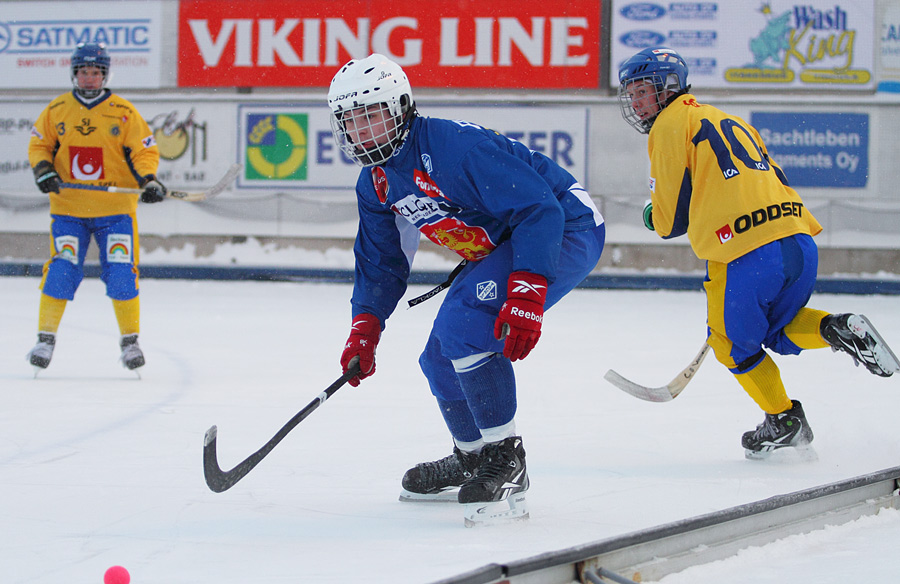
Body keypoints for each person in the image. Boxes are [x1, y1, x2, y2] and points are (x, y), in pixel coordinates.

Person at [327, 54, 605, 525]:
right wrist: (365, 327)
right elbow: (381, 261)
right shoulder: (373, 183)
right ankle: (474, 457)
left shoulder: (453, 147)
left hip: (564, 228)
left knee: (464, 326)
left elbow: (540, 208)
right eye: (351, 120)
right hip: (513, 239)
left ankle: (506, 459)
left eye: (372, 114)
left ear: (400, 108)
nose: (362, 131)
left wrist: (526, 291)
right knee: (438, 358)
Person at [616, 47, 900, 459]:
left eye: (642, 90)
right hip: (798, 240)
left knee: (733, 345)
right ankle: (840, 328)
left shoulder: (670, 124)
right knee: (777, 328)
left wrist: (648, 213)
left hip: (744, 250)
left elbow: (667, 222)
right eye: (631, 94)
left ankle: (784, 420)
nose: (637, 102)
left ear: (668, 87)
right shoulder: (727, 118)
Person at [26, 42, 166, 374]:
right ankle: (45, 339)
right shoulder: (57, 109)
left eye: (96, 72)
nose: (90, 78)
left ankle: (130, 342)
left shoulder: (124, 111)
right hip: (69, 210)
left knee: (121, 274)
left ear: (105, 74)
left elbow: (143, 151)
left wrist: (148, 180)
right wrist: (44, 171)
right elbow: (40, 145)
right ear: (75, 74)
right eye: (84, 72)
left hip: (115, 212)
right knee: (61, 270)